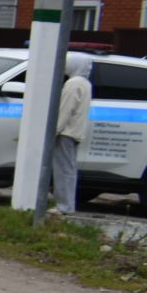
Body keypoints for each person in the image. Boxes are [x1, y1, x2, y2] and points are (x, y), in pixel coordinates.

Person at [51, 53, 93, 215]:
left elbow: (65, 110)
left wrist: (54, 131)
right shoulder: (85, 83)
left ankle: (64, 206)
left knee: (63, 170)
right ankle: (67, 204)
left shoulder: (73, 84)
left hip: (66, 133)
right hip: (75, 132)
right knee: (69, 169)